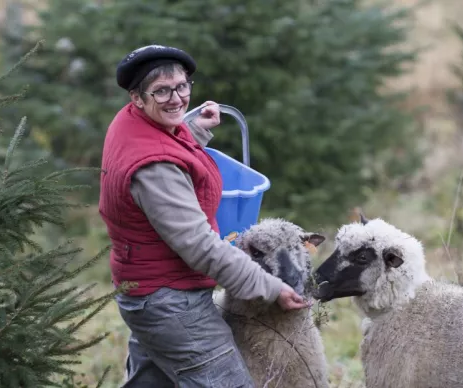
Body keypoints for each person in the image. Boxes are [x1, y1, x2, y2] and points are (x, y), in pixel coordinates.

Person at [98, 45, 309, 388]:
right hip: (169, 301)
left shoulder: (131, 124)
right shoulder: (154, 169)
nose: (176, 98)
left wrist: (194, 129)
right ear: (136, 97)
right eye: (162, 91)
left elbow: (163, 146)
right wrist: (268, 287)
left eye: (182, 86)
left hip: (144, 292)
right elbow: (199, 245)